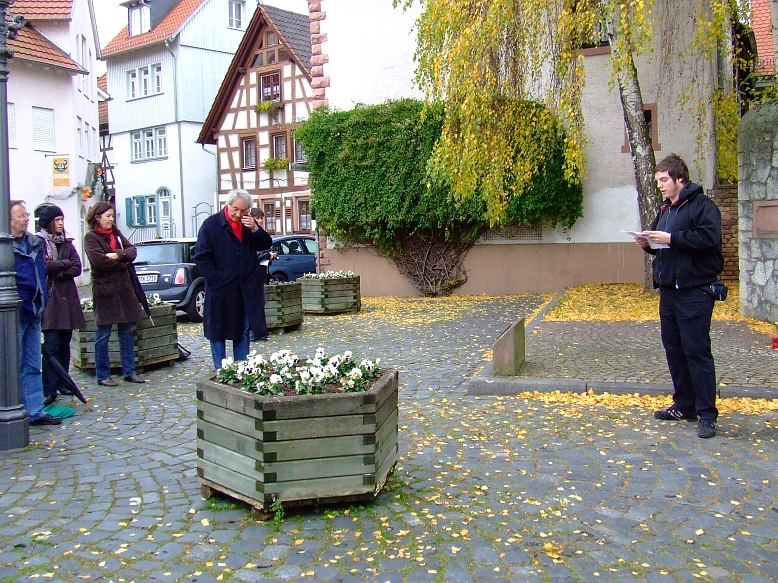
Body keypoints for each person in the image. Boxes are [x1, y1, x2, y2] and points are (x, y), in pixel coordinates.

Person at [636, 154, 723, 439]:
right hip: (669, 293)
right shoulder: (665, 209)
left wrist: (671, 239)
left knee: (696, 351)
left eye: (664, 180)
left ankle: (707, 414)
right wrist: (648, 244)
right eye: (658, 180)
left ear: (679, 179)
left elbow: (708, 239)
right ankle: (684, 404)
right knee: (674, 350)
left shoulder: (702, 206)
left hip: (695, 291)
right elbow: (663, 248)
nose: (659, 185)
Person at [195, 189, 272, 370]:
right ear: (228, 205)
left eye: (243, 211)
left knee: (242, 331)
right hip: (220, 290)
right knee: (218, 333)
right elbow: (201, 257)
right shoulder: (211, 225)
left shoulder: (248, 226)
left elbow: (265, 243)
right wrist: (216, 280)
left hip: (244, 290)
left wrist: (255, 229)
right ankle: (220, 372)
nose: (239, 214)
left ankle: (241, 370)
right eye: (235, 209)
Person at [84, 202, 146, 387]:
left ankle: (130, 371)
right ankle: (103, 375)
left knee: (126, 332)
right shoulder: (91, 237)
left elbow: (132, 252)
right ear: (97, 217)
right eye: (107, 216)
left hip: (124, 290)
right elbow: (99, 262)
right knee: (103, 333)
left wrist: (117, 255)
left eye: (112, 216)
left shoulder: (116, 234)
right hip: (106, 292)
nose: (111, 219)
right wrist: (122, 261)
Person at [10, 200, 59, 426]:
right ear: (8, 220)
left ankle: (34, 411)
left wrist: (43, 300)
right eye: (20, 216)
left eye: (26, 214)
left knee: (32, 364)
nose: (26, 219)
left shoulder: (34, 243)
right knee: (11, 364)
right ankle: (12, 409)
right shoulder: (5, 246)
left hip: (34, 310)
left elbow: (40, 275)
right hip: (14, 313)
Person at [37, 205, 87, 406]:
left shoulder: (67, 243)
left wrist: (60, 268)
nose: (60, 223)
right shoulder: (40, 242)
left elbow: (77, 267)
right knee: (52, 344)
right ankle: (48, 387)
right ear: (49, 222)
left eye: (62, 220)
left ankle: (63, 381)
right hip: (51, 299)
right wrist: (62, 266)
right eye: (57, 220)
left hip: (67, 298)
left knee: (65, 342)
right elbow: (45, 266)